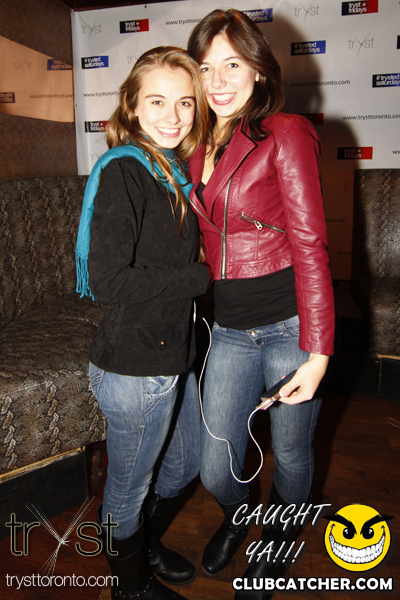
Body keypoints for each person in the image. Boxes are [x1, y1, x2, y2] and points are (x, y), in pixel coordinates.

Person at [187, 9, 335, 599]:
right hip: (229, 329)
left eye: (232, 64)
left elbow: (311, 244)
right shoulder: (193, 143)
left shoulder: (285, 132)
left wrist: (318, 353)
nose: (218, 81)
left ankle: (278, 538)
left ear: (258, 69)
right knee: (215, 466)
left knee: (292, 453)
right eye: (205, 68)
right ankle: (239, 514)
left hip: (289, 328)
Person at [75, 47, 211, 600]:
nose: (173, 116)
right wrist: (198, 277)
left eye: (185, 102)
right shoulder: (127, 170)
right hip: (134, 369)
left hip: (172, 354)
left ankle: (141, 542)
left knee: (186, 464)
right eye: (157, 101)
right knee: (127, 492)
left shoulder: (171, 171)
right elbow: (108, 281)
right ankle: (129, 586)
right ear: (132, 105)